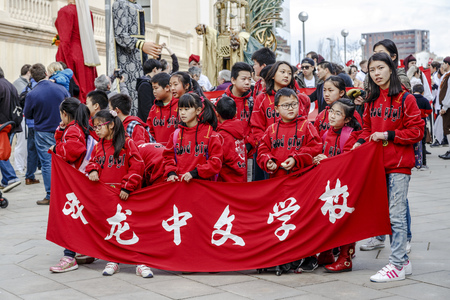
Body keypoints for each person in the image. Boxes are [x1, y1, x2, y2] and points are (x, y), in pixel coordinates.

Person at [352, 52, 424, 283]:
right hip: (376, 165)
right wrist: (359, 142)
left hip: (399, 164)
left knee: (397, 214)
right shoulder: (370, 99)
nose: (376, 73)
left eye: (380, 68)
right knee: (386, 214)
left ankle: (396, 265)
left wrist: (389, 134)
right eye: (372, 70)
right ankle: (403, 260)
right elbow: (365, 129)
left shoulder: (406, 99)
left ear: (391, 69)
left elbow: (417, 132)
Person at [86, 110, 151, 277]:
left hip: (127, 195)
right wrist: (93, 170)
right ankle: (113, 260)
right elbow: (92, 161)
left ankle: (140, 262)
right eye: (95, 127)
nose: (97, 130)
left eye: (99, 126)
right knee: (112, 229)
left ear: (112, 124)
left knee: (133, 228)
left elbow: (138, 165)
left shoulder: (127, 143)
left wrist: (127, 186)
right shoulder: (98, 145)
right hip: (107, 197)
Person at [313, 99, 362, 273]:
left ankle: (345, 258)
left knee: (344, 222)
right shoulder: (326, 133)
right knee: (327, 219)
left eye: (338, 113)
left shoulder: (351, 135)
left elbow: (349, 159)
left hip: (345, 187)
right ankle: (326, 253)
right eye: (331, 111)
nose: (332, 116)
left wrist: (328, 160)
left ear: (347, 119)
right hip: (329, 185)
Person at [48, 97, 90, 273]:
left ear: (64, 114)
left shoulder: (74, 130)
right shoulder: (77, 127)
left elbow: (72, 149)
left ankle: (69, 256)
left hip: (75, 181)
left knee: (69, 218)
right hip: (79, 180)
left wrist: (56, 149)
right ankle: (83, 250)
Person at [23, 63, 70, 205]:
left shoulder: (32, 93)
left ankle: (50, 195)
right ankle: (66, 191)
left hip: (43, 130)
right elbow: (71, 105)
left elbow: (28, 114)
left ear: (33, 77)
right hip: (62, 128)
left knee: (46, 162)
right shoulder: (61, 89)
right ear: (46, 73)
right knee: (64, 160)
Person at [256, 88, 321, 178]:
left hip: (301, 179)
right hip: (277, 178)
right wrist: (268, 161)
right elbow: (262, 150)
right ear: (276, 109)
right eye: (286, 105)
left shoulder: (307, 126)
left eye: (294, 104)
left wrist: (296, 158)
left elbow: (315, 147)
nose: (290, 108)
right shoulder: (271, 129)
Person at [112, 0, 161, 114]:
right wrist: (141, 44)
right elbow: (120, 35)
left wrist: (147, 46)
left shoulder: (136, 5)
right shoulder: (120, 4)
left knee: (140, 95)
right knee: (131, 94)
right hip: (127, 59)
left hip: (139, 58)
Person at [163, 93, 223, 183]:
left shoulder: (211, 135)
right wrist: (171, 173)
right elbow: (168, 158)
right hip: (180, 185)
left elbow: (216, 162)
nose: (182, 113)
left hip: (203, 187)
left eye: (186, 109)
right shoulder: (175, 135)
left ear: (198, 110)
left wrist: (195, 173)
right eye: (180, 109)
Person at [251, 61, 310, 147]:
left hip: (294, 148)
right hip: (269, 148)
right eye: (282, 72)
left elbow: (303, 124)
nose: (286, 75)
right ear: (273, 75)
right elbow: (257, 127)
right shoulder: (262, 98)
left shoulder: (299, 98)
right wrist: (266, 146)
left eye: (289, 73)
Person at [55, 0, 98, 102]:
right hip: (86, 54)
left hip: (71, 52)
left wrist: (61, 57)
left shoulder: (65, 11)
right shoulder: (88, 12)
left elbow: (65, 40)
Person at [223, 62, 255, 154]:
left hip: (248, 151)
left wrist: (248, 145)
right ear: (233, 80)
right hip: (227, 150)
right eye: (243, 79)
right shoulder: (222, 101)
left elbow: (255, 125)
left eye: (249, 79)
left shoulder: (252, 101)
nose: (247, 82)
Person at [0, 67, 21, 192]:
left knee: (1, 152)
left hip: (2, 125)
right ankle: (5, 180)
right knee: (4, 151)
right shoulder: (9, 84)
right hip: (11, 124)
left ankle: (11, 177)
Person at [216, 96, 247, 182]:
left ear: (217, 114)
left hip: (227, 184)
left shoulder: (220, 136)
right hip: (241, 181)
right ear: (236, 114)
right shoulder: (239, 130)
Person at [147, 73, 178, 145]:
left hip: (175, 150)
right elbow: (150, 131)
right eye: (153, 88)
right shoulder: (153, 109)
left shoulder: (180, 105)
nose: (154, 91)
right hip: (158, 151)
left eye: (156, 88)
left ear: (167, 87)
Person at [12, 64, 32, 175]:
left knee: (25, 143)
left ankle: (23, 165)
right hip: (22, 117)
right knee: (21, 143)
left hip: (25, 117)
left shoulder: (23, 83)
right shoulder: (19, 84)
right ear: (28, 72)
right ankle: (19, 167)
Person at [412, 84, 432, 168]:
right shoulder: (424, 100)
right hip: (421, 122)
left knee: (412, 143)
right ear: (423, 92)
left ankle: (412, 162)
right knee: (422, 143)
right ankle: (423, 162)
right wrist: (424, 114)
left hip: (412, 123)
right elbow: (429, 111)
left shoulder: (410, 98)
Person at [437, 56, 450, 159]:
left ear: (447, 64)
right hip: (447, 106)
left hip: (448, 107)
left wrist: (445, 106)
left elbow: (449, 93)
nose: (442, 66)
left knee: (448, 128)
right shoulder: (447, 76)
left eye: (444, 63)